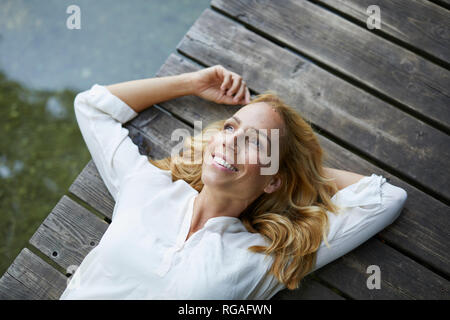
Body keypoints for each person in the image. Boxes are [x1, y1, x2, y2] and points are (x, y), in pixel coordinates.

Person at [59, 65, 407, 300]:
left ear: (273, 182)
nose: (230, 140)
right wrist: (191, 83)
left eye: (255, 141)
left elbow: (385, 198)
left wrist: (299, 170)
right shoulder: (147, 185)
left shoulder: (262, 258)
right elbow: (92, 107)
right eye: (230, 128)